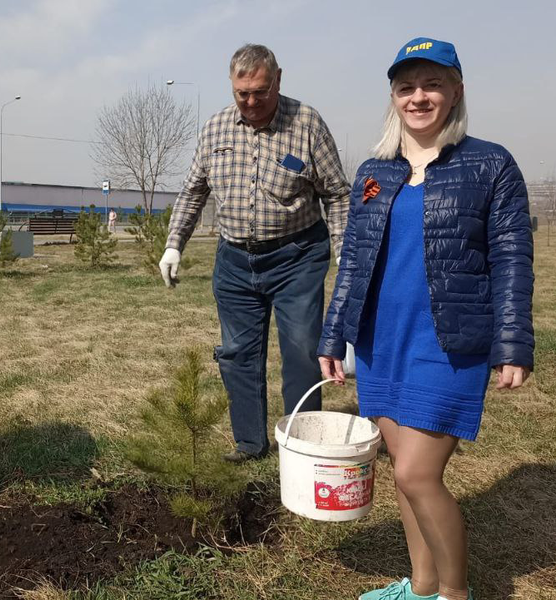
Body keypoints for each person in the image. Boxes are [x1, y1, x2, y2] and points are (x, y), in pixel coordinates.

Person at [317, 38, 534, 600]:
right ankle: (420, 588)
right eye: (406, 86)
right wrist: (334, 332)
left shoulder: (490, 164)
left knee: (417, 474)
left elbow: (512, 257)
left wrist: (512, 342)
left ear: (456, 89)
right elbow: (354, 260)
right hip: (379, 340)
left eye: (432, 83)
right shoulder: (373, 171)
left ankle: (454, 595)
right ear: (393, 97)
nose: (419, 96)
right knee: (401, 474)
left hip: (448, 339)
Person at [160, 43, 350, 463]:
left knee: (302, 350)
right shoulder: (215, 129)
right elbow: (193, 192)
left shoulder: (307, 124)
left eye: (260, 92)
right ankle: (249, 442)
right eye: (241, 94)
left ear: (278, 79)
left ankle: (303, 441)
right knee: (237, 352)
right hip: (234, 261)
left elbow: (337, 194)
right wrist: (174, 244)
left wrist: (344, 249)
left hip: (297, 257)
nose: (250, 102)